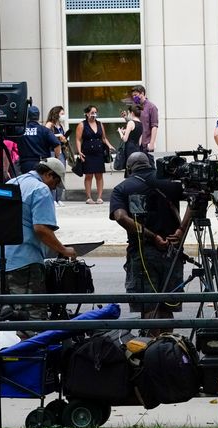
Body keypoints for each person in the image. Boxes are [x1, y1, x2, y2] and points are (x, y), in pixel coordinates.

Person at [0, 158, 77, 336]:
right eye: (56, 183)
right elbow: (41, 228)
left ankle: (5, 359)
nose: (54, 188)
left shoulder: (13, 182)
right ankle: (32, 361)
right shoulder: (40, 189)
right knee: (32, 320)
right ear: (49, 174)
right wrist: (63, 250)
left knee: (2, 322)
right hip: (24, 262)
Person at [109, 152, 186, 335]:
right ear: (150, 164)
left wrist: (151, 236)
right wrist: (181, 230)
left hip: (142, 252)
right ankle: (168, 348)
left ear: (129, 168)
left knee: (149, 306)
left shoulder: (122, 188)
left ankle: (153, 351)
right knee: (168, 306)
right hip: (172, 251)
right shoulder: (171, 183)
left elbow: (120, 216)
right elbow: (197, 199)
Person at [75, 104, 115, 204]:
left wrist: (109, 146)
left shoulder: (99, 124)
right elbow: (78, 139)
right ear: (87, 113)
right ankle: (88, 197)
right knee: (88, 175)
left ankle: (100, 197)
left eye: (95, 113)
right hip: (87, 152)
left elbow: (104, 138)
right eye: (92, 113)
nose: (94, 115)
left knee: (99, 175)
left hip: (99, 152)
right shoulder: (82, 125)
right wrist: (79, 152)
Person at [17, 106, 61, 174]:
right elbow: (57, 144)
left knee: (27, 183)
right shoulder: (44, 130)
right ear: (38, 117)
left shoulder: (20, 130)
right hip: (42, 163)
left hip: (25, 164)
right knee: (41, 183)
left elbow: (7, 140)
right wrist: (56, 159)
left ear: (27, 116)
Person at [45, 106, 68, 206]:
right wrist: (57, 136)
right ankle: (52, 198)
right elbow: (45, 135)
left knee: (60, 174)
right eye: (61, 113)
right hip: (51, 152)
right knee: (52, 174)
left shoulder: (61, 126)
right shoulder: (50, 124)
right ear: (56, 113)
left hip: (61, 151)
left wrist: (64, 140)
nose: (63, 116)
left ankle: (58, 198)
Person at [117, 104, 144, 178]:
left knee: (129, 169)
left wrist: (120, 131)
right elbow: (139, 142)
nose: (128, 115)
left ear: (132, 113)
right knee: (135, 169)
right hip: (137, 149)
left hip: (129, 149)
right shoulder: (141, 124)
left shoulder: (131, 123)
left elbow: (125, 139)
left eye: (128, 113)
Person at [130, 85, 159, 152]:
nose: (134, 97)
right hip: (135, 144)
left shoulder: (151, 107)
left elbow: (154, 126)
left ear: (142, 93)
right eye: (133, 96)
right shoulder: (135, 106)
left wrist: (151, 143)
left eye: (135, 95)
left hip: (145, 144)